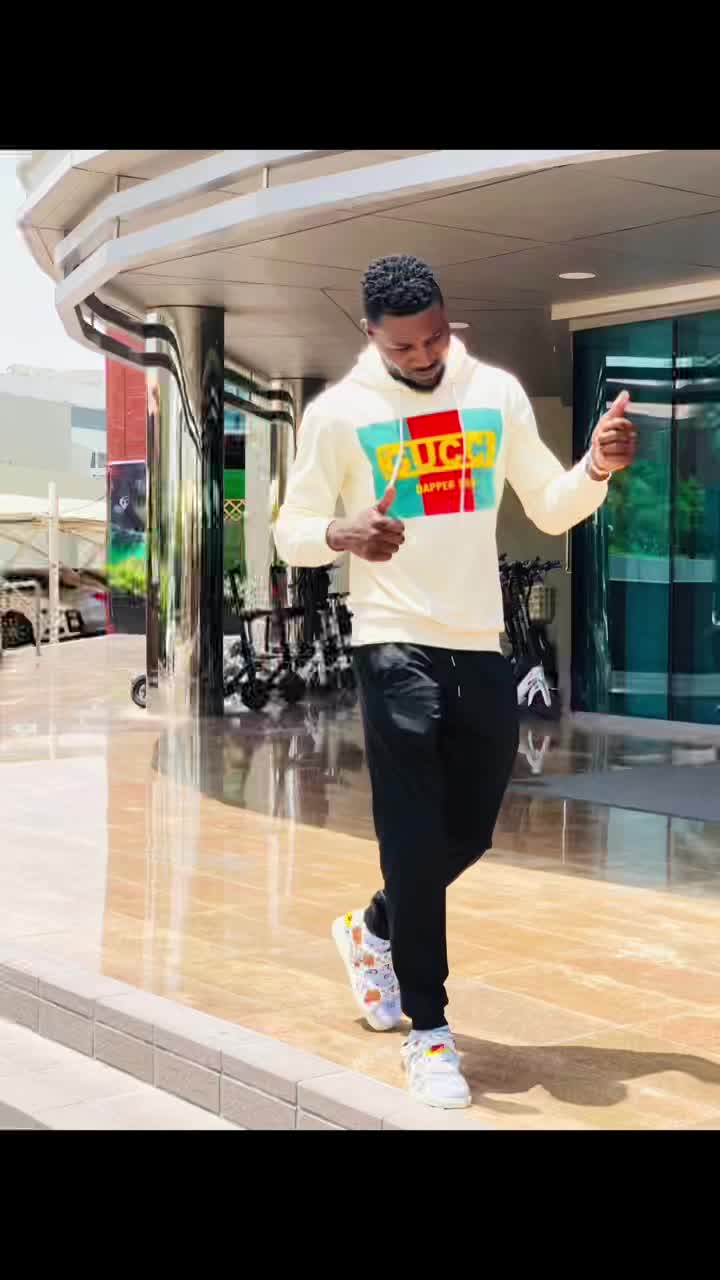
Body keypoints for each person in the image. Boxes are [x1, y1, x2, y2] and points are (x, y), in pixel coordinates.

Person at [274, 254, 637, 1109]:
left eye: (434, 337)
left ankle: (374, 927)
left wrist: (595, 467)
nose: (424, 356)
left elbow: (547, 504)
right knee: (410, 832)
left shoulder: (494, 395)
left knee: (468, 831)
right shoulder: (339, 415)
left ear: (447, 320)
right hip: (392, 642)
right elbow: (290, 529)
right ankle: (430, 1031)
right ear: (372, 336)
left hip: (478, 644)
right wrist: (341, 532)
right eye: (404, 347)